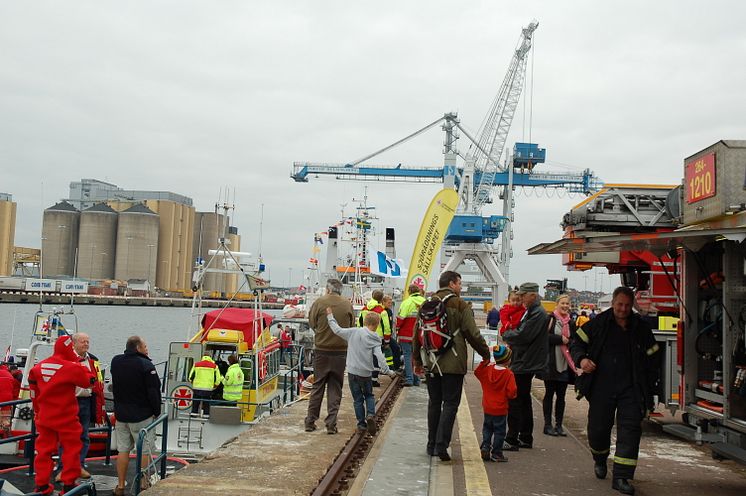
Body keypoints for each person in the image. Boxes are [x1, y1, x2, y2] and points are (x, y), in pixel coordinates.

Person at [570, 287, 660, 495]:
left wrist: (649, 381)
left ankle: (621, 476)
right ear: (613, 303)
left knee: (630, 430)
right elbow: (577, 343)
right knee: (598, 429)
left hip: (631, 388)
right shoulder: (599, 324)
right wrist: (582, 360)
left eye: (627, 305)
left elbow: (653, 354)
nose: (623, 309)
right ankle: (600, 458)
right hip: (602, 386)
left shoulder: (640, 327)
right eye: (620, 304)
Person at [413, 270, 491, 461]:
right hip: (453, 363)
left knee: (434, 402)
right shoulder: (459, 304)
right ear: (452, 283)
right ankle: (442, 444)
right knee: (450, 403)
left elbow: (417, 334)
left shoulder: (426, 303)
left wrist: (417, 360)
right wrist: (485, 353)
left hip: (431, 361)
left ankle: (431, 444)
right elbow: (472, 333)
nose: (461, 287)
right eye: (459, 283)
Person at [28, 336, 95, 496]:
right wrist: (78, 361)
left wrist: (38, 411)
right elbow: (90, 381)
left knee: (43, 451)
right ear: (68, 349)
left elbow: (33, 393)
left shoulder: (38, 367)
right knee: (72, 449)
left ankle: (42, 486)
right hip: (66, 418)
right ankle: (68, 485)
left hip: (44, 417)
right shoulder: (71, 367)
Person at [325, 307, 395, 434]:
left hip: (352, 372)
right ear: (377, 324)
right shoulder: (376, 339)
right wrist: (388, 371)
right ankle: (370, 415)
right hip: (366, 373)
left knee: (357, 399)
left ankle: (361, 425)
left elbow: (337, 330)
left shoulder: (353, 332)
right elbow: (380, 357)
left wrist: (330, 316)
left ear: (364, 322)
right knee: (369, 395)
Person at [110, 336, 162, 496]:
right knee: (144, 451)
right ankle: (143, 484)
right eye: (145, 346)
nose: (147, 349)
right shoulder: (146, 365)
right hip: (142, 416)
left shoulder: (115, 362)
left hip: (121, 415)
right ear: (138, 348)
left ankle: (120, 486)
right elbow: (154, 392)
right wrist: (156, 411)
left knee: (123, 450)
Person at [502, 282, 548, 451]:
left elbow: (523, 335)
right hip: (527, 359)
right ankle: (525, 436)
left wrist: (506, 334)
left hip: (525, 361)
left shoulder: (537, 314)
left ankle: (512, 437)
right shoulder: (534, 312)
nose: (520, 299)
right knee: (524, 399)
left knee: (515, 398)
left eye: (523, 295)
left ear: (532, 295)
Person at [304, 279, 354, 434]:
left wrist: (322, 333)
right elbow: (351, 326)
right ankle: (331, 424)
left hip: (322, 350)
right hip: (340, 352)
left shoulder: (319, 302)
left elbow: (312, 323)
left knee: (318, 386)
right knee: (335, 387)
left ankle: (310, 421)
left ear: (328, 289)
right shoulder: (347, 304)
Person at [56, 332, 105, 482]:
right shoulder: (65, 360)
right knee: (66, 436)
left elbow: (97, 382)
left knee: (83, 436)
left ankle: (79, 465)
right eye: (83, 341)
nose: (86, 344)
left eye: (88, 341)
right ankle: (62, 468)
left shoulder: (92, 360)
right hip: (69, 401)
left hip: (86, 401)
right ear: (74, 344)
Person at [543, 295, 579, 437]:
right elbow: (543, 338)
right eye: (562, 303)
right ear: (557, 304)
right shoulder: (550, 319)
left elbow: (575, 340)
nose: (565, 306)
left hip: (565, 363)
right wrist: (560, 339)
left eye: (567, 304)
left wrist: (569, 341)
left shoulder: (571, 322)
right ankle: (547, 425)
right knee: (549, 394)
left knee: (561, 396)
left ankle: (559, 425)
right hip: (551, 363)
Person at [475, 345, 517, 463]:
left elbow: (477, 372)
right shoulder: (509, 374)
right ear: (508, 360)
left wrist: (485, 362)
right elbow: (512, 392)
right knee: (499, 431)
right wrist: (512, 396)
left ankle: (485, 447)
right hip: (501, 408)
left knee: (487, 428)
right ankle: (497, 453)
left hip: (487, 407)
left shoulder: (488, 370)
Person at [359, 290, 392, 386]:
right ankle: (373, 379)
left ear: (372, 297)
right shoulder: (382, 311)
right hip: (378, 337)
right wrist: (387, 340)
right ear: (381, 299)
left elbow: (359, 323)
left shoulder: (364, 309)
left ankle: (364, 378)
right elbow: (386, 327)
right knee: (376, 358)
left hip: (365, 336)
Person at [396, 284, 426, 387]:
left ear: (409, 292)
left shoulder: (406, 303)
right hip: (420, 335)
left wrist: (397, 329)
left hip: (406, 334)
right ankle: (417, 379)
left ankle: (409, 379)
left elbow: (400, 319)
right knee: (417, 357)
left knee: (407, 356)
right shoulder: (424, 302)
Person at [381, 295, 402, 371]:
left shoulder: (389, 311)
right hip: (382, 336)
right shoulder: (382, 311)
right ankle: (387, 368)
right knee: (383, 352)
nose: (390, 304)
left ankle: (396, 367)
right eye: (388, 303)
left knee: (396, 348)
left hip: (388, 336)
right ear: (383, 302)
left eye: (391, 303)